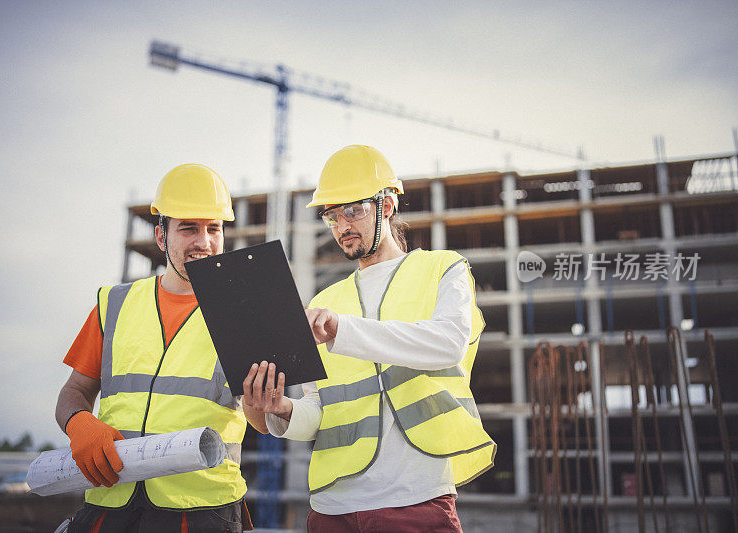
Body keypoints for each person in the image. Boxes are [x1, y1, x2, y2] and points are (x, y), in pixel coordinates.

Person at [242, 145, 496, 532]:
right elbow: (319, 412)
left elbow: (447, 343)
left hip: (415, 496)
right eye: (332, 216)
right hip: (333, 506)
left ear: (388, 205)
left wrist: (342, 330)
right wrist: (281, 409)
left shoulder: (442, 269)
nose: (342, 226)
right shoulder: (325, 301)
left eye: (353, 211)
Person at [56, 163, 251, 532]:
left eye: (214, 229)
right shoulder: (114, 304)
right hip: (111, 497)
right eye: (189, 228)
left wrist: (266, 407)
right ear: (161, 237)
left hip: (201, 508)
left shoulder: (243, 311)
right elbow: (74, 391)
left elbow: (265, 418)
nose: (204, 242)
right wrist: (79, 423)